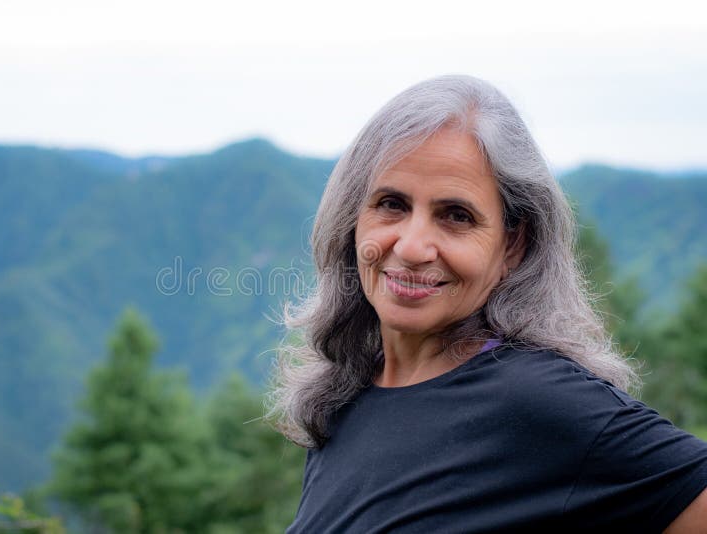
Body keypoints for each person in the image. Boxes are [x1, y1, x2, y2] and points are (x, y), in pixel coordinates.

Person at [267, 75, 707, 532]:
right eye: (391, 204)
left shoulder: (538, 402)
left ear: (511, 246)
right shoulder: (344, 395)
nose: (414, 246)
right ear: (352, 220)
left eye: (456, 216)